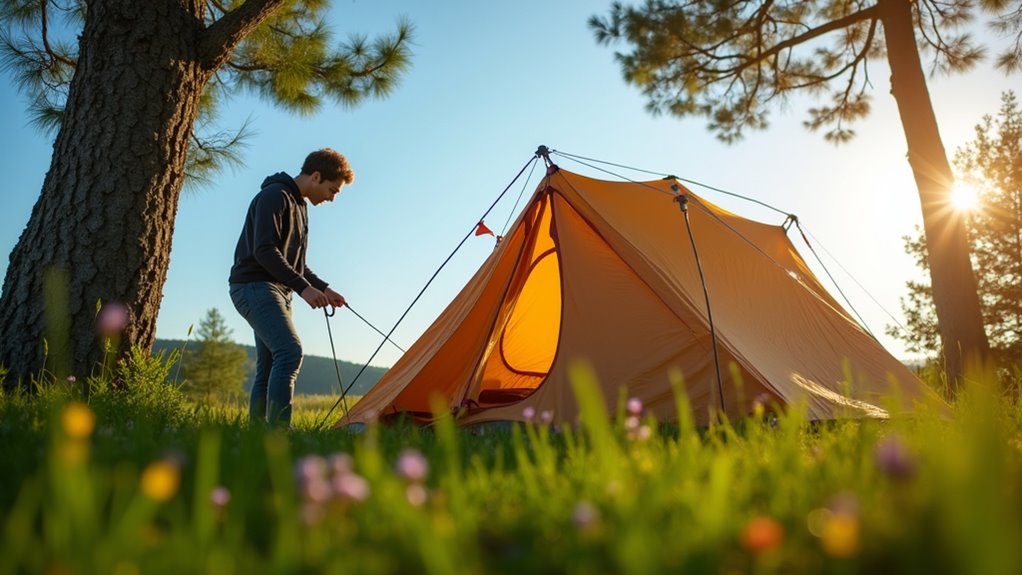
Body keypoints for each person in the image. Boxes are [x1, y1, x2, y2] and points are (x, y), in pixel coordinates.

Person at [228, 148, 354, 427]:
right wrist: (304, 289)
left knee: (272, 362)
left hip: (278, 290)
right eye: (332, 190)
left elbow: (296, 264)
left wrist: (324, 288)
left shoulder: (301, 205)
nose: (332, 198)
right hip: (254, 286)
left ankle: (257, 434)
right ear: (316, 176)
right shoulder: (274, 196)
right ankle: (279, 434)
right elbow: (264, 251)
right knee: (289, 351)